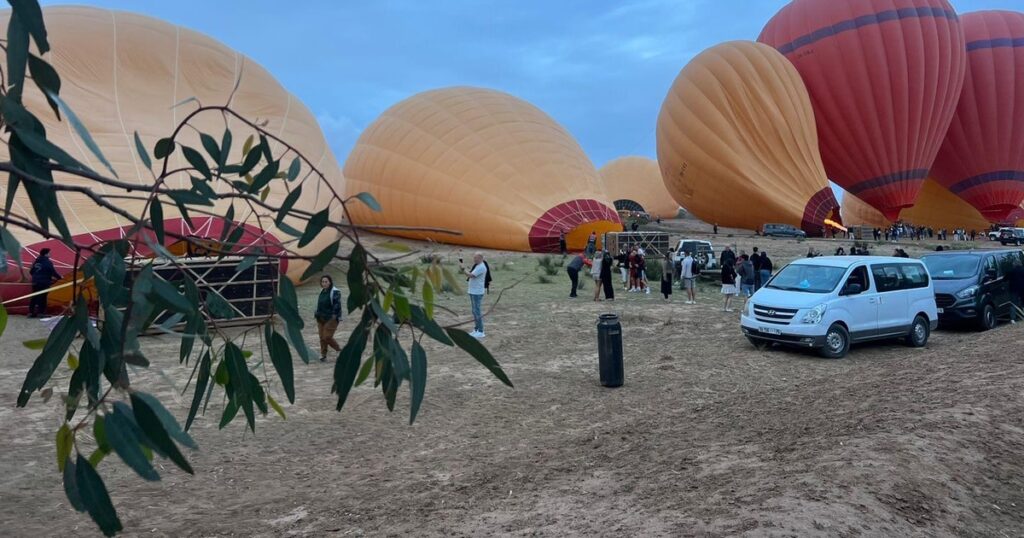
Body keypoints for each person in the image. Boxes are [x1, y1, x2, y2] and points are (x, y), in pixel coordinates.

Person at [314, 275, 343, 362]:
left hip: (331, 318)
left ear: (330, 282)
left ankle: (339, 350)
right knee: (321, 337)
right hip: (320, 317)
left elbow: (337, 304)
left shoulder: (335, 292)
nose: (324, 283)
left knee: (327, 337)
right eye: (323, 282)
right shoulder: (322, 291)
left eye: (326, 282)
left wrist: (334, 316)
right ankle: (323, 355)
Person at [461, 252, 488, 338]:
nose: (474, 259)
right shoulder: (478, 266)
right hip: (473, 291)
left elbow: (471, 275)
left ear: (480, 258)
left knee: (477, 311)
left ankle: (481, 331)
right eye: (474, 257)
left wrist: (463, 269)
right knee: (474, 311)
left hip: (477, 292)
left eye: (475, 258)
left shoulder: (481, 267)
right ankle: (476, 329)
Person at [28, 248, 60, 318]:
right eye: (49, 253)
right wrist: (60, 278)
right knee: (43, 297)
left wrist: (36, 277)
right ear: (46, 254)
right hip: (44, 282)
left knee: (34, 296)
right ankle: (40, 313)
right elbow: (53, 272)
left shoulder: (36, 261)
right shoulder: (48, 262)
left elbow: (31, 272)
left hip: (35, 282)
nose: (50, 254)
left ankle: (31, 312)